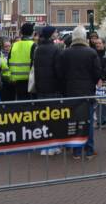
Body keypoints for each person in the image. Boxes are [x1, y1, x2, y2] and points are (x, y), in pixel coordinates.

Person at [56, 27, 102, 159]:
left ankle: (76, 151)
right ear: (84, 37)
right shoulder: (91, 53)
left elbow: (60, 73)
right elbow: (97, 73)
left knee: (74, 121)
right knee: (88, 121)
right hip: (87, 92)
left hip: (70, 91)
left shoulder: (65, 53)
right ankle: (89, 149)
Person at [34, 26, 63, 155]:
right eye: (55, 32)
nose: (57, 34)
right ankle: (53, 146)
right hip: (53, 88)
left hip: (41, 88)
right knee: (54, 118)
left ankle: (44, 146)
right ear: (51, 35)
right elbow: (59, 71)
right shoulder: (55, 50)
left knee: (44, 117)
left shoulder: (38, 49)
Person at [8, 22, 36, 100]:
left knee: (20, 104)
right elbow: (35, 63)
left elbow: (8, 61)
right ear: (32, 32)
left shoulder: (14, 45)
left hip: (16, 81)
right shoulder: (33, 45)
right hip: (29, 80)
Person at [91, 37, 106, 127]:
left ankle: (105, 119)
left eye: (99, 43)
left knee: (105, 101)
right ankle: (99, 119)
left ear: (104, 44)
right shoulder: (93, 54)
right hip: (95, 80)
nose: (98, 45)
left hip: (105, 80)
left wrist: (102, 78)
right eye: (96, 43)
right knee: (98, 101)